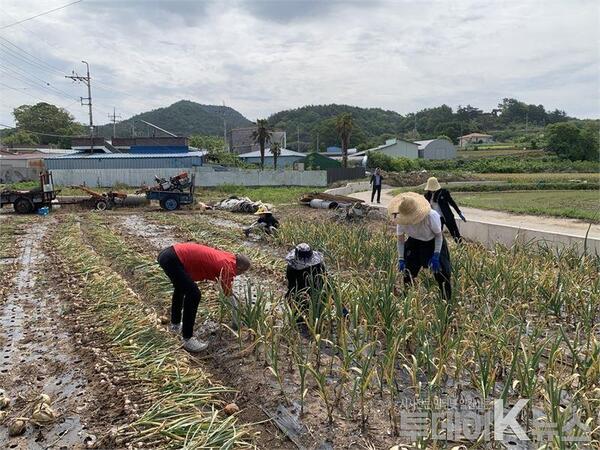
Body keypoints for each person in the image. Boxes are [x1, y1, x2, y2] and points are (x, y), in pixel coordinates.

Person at [157, 243, 251, 352]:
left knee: (181, 288)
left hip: (169, 254)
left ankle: (175, 326)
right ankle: (188, 339)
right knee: (194, 294)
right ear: (240, 268)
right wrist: (236, 321)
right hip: (173, 259)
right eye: (242, 272)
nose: (239, 275)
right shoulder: (227, 267)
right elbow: (228, 295)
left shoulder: (228, 258)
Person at [389, 192, 452, 300]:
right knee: (408, 270)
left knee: (442, 272)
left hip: (433, 241)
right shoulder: (401, 220)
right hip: (414, 242)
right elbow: (400, 241)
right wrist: (401, 258)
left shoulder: (431, 216)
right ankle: (407, 298)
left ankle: (446, 299)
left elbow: (439, 236)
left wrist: (436, 255)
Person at [285, 243, 327, 323]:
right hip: (303, 293)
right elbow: (292, 285)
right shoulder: (292, 267)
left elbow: (325, 280)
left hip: (315, 293)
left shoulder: (319, 265)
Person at [424, 177, 466, 243]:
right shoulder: (427, 196)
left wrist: (459, 213)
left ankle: (460, 247)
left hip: (447, 217)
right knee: (437, 236)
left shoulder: (444, 192)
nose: (432, 190)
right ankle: (439, 250)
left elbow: (452, 203)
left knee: (455, 234)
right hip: (437, 219)